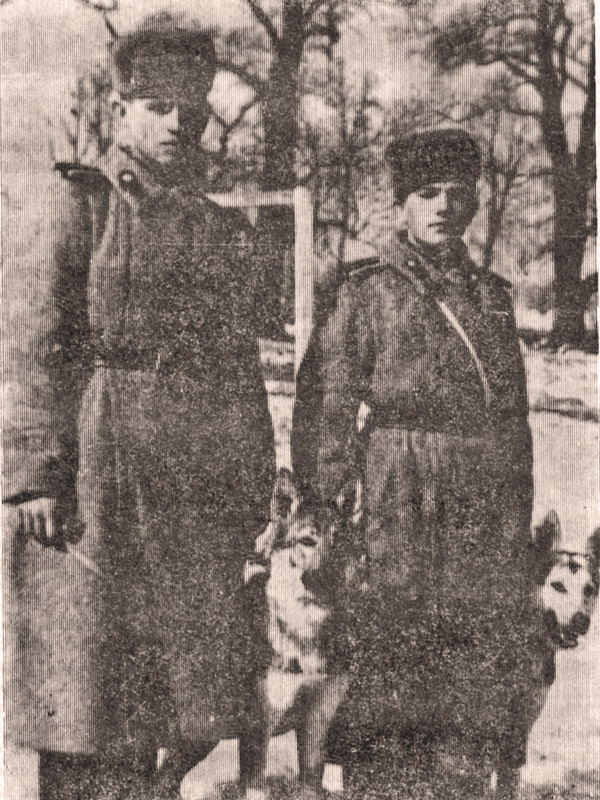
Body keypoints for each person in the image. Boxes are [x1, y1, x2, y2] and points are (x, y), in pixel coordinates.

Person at [3, 14, 275, 800]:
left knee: (168, 708)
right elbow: (35, 343)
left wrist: (252, 489)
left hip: (189, 485)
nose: (177, 124)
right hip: (97, 474)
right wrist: (35, 476)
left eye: (191, 110)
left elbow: (239, 370)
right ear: (120, 108)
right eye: (158, 107)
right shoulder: (80, 204)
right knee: (87, 698)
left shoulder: (219, 229)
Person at [291, 129, 553, 798]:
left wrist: (514, 522)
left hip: (477, 507)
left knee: (466, 681)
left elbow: (513, 421)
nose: (442, 207)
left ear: (474, 204)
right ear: (403, 203)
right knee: (387, 664)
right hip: (394, 497)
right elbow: (325, 405)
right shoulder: (366, 290)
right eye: (427, 193)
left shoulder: (491, 297)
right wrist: (329, 507)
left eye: (457, 194)